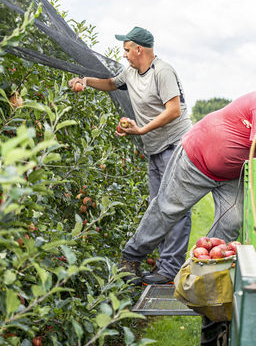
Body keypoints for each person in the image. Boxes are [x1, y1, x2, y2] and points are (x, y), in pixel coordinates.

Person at [121, 89, 256, 282]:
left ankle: (202, 275)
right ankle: (130, 259)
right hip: (196, 159)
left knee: (232, 221)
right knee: (167, 210)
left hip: (231, 175)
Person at [68, 26, 192, 285]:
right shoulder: (131, 72)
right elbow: (112, 84)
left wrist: (141, 129)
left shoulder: (163, 71)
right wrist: (86, 81)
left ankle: (170, 269)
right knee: (157, 206)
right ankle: (164, 266)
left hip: (175, 145)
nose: (123, 55)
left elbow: (174, 111)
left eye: (126, 50)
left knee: (175, 206)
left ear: (139, 49)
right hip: (154, 148)